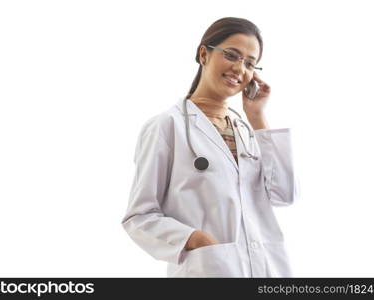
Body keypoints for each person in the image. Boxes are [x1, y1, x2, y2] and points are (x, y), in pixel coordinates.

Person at [121, 17, 300, 277]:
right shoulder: (167, 126)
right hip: (208, 271)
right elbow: (139, 217)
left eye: (250, 63)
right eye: (232, 55)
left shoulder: (247, 131)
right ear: (204, 54)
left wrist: (258, 118)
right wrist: (197, 240)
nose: (240, 68)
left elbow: (284, 195)